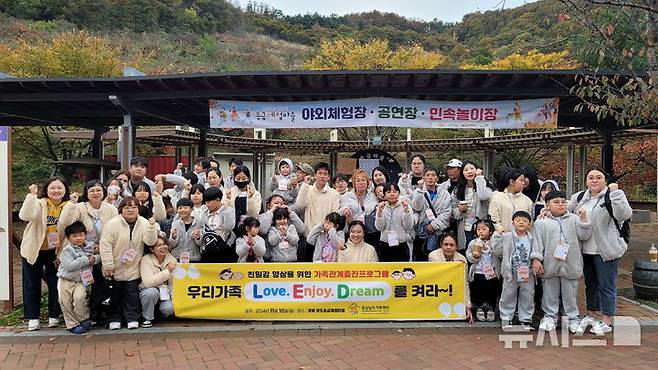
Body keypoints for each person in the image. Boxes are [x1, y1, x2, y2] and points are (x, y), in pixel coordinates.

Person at [568, 168, 633, 335]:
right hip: (586, 250)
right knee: (591, 285)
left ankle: (607, 319)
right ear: (585, 181)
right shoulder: (580, 197)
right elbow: (565, 211)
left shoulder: (612, 195)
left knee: (607, 285)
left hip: (606, 250)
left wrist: (617, 193)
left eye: (598, 177)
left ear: (606, 180)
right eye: (590, 177)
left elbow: (624, 214)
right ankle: (591, 314)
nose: (594, 180)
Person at [531, 190, 592, 333]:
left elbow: (584, 236)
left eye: (563, 201)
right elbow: (537, 243)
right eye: (556, 202)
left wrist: (583, 220)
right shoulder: (541, 222)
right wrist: (536, 259)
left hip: (571, 262)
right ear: (547, 204)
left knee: (570, 291)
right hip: (550, 263)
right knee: (549, 291)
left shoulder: (574, 219)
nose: (560, 205)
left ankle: (572, 317)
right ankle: (550, 316)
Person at [19, 177, 70, 331]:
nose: (56, 191)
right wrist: (31, 196)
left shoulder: (69, 206)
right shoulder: (39, 203)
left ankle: (54, 315)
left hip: (55, 251)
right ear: (47, 190)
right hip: (34, 249)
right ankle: (32, 317)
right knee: (31, 284)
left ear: (65, 190)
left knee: (56, 283)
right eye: (52, 188)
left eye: (60, 188)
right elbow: (24, 216)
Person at [100, 197, 158, 330]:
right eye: (127, 207)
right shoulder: (112, 224)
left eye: (134, 207)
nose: (131, 210)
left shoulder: (144, 223)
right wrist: (108, 265)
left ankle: (132, 318)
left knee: (131, 295)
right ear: (121, 210)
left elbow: (150, 242)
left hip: (133, 267)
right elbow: (105, 245)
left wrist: (151, 227)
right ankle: (115, 318)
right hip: (114, 268)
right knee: (115, 295)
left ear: (138, 209)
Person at [492, 211, 535, 331]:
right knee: (508, 294)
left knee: (528, 295)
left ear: (529, 224)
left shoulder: (532, 238)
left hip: (528, 272)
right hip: (511, 272)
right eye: (518, 220)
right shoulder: (507, 237)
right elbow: (498, 251)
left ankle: (526, 319)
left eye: (525, 220)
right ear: (512, 222)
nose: (521, 222)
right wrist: (496, 235)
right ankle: (506, 317)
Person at [57, 221, 100, 334]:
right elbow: (69, 266)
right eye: (74, 236)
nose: (78, 238)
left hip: (82, 280)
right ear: (68, 237)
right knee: (65, 301)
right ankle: (72, 324)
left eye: (81, 235)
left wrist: (95, 259)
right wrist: (86, 260)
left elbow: (99, 256)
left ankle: (84, 319)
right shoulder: (67, 250)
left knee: (80, 298)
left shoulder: (90, 246)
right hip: (66, 279)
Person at [428, 232, 473, 323]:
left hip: (453, 291)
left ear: (456, 247)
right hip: (437, 290)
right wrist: (454, 265)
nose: (448, 247)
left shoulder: (462, 259)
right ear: (441, 245)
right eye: (445, 244)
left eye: (452, 245)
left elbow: (465, 283)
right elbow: (439, 276)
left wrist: (467, 306)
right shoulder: (433, 256)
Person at [411, 168, 452, 261]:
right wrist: (419, 190)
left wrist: (433, 225)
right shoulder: (417, 192)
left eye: (433, 175)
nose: (430, 178)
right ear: (423, 178)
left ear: (437, 178)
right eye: (428, 175)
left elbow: (447, 213)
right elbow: (416, 208)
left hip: (438, 233)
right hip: (422, 233)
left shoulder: (444, 194)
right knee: (421, 260)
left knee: (437, 260)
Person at [452, 161, 493, 253]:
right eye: (466, 170)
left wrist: (479, 178)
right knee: (469, 252)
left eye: (471, 168)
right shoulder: (458, 189)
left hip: (482, 227)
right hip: (466, 226)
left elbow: (483, 197)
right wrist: (460, 211)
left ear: (477, 169)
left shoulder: (484, 184)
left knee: (483, 252)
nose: (469, 171)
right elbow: (453, 208)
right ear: (462, 173)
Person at [465, 218, 500, 322]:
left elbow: (500, 253)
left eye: (484, 229)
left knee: (491, 290)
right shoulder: (473, 242)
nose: (480, 231)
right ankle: (479, 308)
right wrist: (474, 256)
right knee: (478, 290)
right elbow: (468, 255)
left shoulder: (494, 242)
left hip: (492, 271)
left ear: (490, 231)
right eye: (478, 229)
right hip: (478, 271)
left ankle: (491, 308)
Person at [139, 233, 176, 328]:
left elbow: (173, 284)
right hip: (150, 290)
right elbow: (148, 282)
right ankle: (147, 318)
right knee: (151, 293)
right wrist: (167, 271)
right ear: (152, 249)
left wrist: (173, 299)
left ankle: (159, 314)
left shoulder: (172, 260)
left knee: (169, 309)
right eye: (159, 245)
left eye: (164, 244)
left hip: (166, 292)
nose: (163, 247)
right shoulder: (146, 260)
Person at [296, 162, 341, 237]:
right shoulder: (307, 189)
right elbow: (300, 205)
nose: (322, 176)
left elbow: (334, 215)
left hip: (326, 235)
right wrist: (305, 185)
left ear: (329, 177)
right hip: (309, 235)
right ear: (315, 175)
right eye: (320, 173)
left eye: (325, 174)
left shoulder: (334, 193)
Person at [375, 183, 416, 262]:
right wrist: (379, 212)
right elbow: (379, 227)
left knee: (401, 271)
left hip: (401, 244)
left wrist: (406, 211)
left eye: (395, 191)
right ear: (384, 194)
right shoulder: (381, 206)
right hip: (385, 244)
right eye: (388, 192)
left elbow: (409, 226)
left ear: (399, 193)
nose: (392, 194)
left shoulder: (405, 205)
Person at [222, 165, 262, 233]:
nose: (241, 181)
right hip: (232, 228)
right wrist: (228, 199)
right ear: (234, 178)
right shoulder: (228, 192)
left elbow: (254, 214)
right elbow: (224, 211)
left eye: (243, 179)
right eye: (238, 178)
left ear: (248, 178)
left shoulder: (256, 194)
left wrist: (250, 198)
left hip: (249, 228)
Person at [169, 198, 204, 263]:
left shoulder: (198, 223)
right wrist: (173, 237)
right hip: (177, 257)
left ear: (192, 208)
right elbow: (172, 244)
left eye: (185, 208)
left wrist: (198, 237)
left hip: (193, 258)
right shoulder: (175, 223)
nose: (182, 210)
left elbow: (200, 243)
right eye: (180, 208)